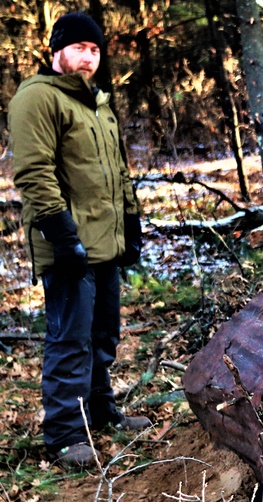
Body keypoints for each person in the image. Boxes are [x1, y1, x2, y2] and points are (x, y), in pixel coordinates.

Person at [10, 12, 149, 471]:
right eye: (78, 48)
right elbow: (34, 172)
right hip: (67, 243)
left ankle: (100, 409)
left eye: (94, 49)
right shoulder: (37, 97)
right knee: (70, 338)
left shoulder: (98, 103)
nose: (88, 57)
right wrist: (60, 231)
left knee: (103, 332)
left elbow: (117, 171)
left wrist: (131, 222)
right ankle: (66, 433)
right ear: (57, 51)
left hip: (104, 241)